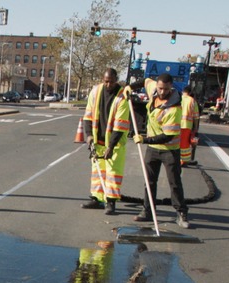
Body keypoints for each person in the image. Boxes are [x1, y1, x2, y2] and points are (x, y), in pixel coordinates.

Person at [132, 73, 190, 229]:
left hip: (169, 150)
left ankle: (181, 213)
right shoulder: (153, 90)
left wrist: (145, 139)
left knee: (174, 183)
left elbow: (167, 136)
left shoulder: (174, 108)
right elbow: (145, 80)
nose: (162, 92)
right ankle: (147, 210)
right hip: (153, 150)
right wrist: (129, 88)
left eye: (165, 89)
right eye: (160, 88)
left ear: (171, 87)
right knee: (149, 181)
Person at [81, 68, 131, 215]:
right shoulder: (95, 92)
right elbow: (88, 116)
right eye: (106, 81)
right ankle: (97, 199)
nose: (108, 85)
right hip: (98, 141)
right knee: (97, 172)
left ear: (116, 80)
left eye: (111, 82)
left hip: (114, 144)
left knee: (113, 173)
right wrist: (89, 136)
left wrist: (111, 146)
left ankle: (111, 202)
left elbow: (120, 126)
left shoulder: (122, 97)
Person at [180, 85, 200, 166]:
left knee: (176, 143)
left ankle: (176, 159)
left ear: (183, 91)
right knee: (184, 144)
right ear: (190, 92)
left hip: (176, 124)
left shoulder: (178, 98)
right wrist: (195, 128)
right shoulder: (192, 101)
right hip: (186, 125)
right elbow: (196, 116)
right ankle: (183, 161)